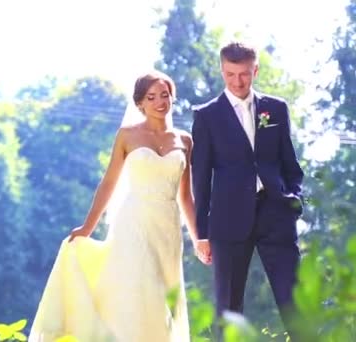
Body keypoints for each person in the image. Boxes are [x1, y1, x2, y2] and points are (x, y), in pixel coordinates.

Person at [28, 71, 197, 342]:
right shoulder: (127, 136)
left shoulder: (185, 140)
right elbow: (108, 183)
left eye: (164, 95)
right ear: (140, 103)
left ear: (172, 97)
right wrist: (88, 227)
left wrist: (199, 238)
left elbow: (186, 197)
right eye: (151, 97)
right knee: (140, 292)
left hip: (167, 229)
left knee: (164, 298)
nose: (159, 102)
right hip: (134, 222)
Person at [190, 41, 304, 338]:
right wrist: (201, 233)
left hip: (276, 213)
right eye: (230, 74)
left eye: (244, 74)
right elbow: (200, 179)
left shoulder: (275, 109)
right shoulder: (206, 115)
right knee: (228, 309)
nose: (237, 81)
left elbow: (289, 162)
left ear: (255, 70)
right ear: (221, 70)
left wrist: (294, 198)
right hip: (227, 223)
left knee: (295, 302)